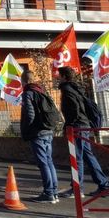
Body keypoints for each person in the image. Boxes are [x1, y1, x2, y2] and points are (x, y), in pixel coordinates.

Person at [57, 66, 109, 198]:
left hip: (76, 127)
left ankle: (77, 189)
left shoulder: (67, 90)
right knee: (87, 155)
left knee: (76, 158)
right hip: (83, 125)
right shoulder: (76, 88)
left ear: (64, 76)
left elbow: (74, 109)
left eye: (59, 75)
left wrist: (70, 125)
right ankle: (104, 184)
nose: (57, 78)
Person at [20, 70, 59, 203]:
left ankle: (48, 193)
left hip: (37, 133)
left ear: (23, 81)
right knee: (49, 161)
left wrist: (27, 130)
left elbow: (30, 115)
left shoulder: (27, 93)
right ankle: (54, 191)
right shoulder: (41, 91)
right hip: (48, 130)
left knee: (43, 163)